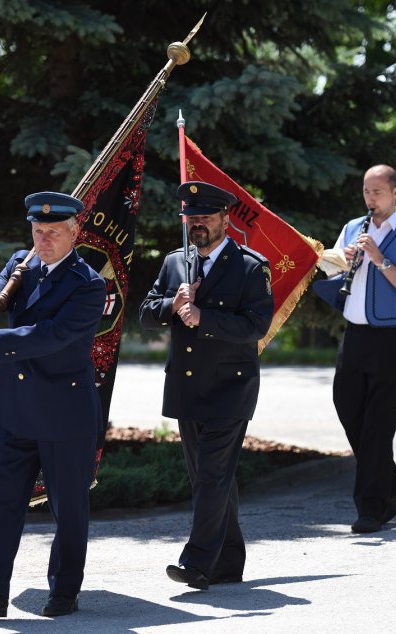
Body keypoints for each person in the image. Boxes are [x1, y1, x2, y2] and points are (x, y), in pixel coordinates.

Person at [0, 191, 106, 617]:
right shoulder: (22, 263)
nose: (43, 239)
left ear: (75, 233)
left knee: (68, 508)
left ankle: (64, 591)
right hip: (15, 407)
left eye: (52, 232)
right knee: (2, 504)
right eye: (37, 231)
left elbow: (54, 334)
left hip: (64, 413)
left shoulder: (88, 284)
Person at [139, 181, 273, 590]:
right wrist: (173, 307)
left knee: (213, 476)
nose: (197, 224)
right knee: (211, 478)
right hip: (187, 387)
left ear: (225, 220)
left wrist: (205, 318)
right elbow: (146, 312)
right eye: (191, 217)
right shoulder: (175, 263)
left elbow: (256, 324)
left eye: (205, 217)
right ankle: (230, 562)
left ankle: (197, 563)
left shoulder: (251, 266)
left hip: (231, 388)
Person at [317, 165, 396, 533]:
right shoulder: (353, 227)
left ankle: (371, 508)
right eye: (366, 191)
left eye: (378, 192)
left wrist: (380, 260)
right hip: (356, 335)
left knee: (379, 425)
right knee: (347, 408)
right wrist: (341, 262)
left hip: (390, 339)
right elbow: (329, 269)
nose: (370, 199)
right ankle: (390, 479)